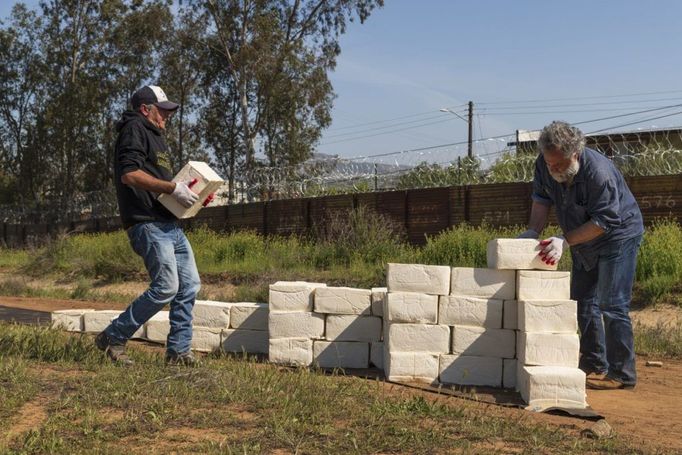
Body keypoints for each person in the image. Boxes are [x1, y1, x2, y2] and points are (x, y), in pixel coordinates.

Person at [518, 121, 644, 390]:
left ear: (576, 153)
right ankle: (593, 363)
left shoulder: (599, 173)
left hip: (617, 236)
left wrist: (565, 240)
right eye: (550, 164)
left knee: (612, 304)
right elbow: (541, 198)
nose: (553, 170)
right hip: (581, 238)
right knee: (581, 301)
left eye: (560, 165)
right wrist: (533, 231)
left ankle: (622, 373)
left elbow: (604, 221)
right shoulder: (544, 164)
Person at [95, 85, 203, 366]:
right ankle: (112, 337)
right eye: (162, 111)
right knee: (166, 287)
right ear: (145, 109)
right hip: (146, 223)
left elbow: (161, 184)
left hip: (169, 224)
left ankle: (178, 351)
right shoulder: (134, 129)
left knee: (189, 285)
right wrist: (171, 188)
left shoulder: (156, 137)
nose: (166, 117)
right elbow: (130, 174)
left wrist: (192, 195)